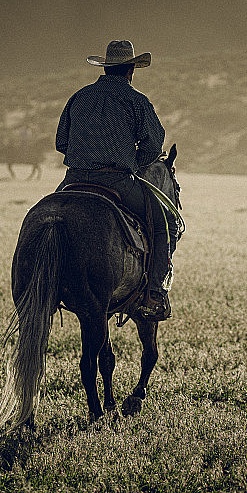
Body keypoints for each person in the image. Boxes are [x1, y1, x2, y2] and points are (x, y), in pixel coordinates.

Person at [55, 40, 175, 321]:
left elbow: (62, 142)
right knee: (160, 225)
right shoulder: (136, 101)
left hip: (72, 180)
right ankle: (154, 294)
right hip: (117, 181)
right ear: (131, 70)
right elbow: (154, 146)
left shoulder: (80, 96)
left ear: (107, 68)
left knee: (48, 217)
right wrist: (131, 161)